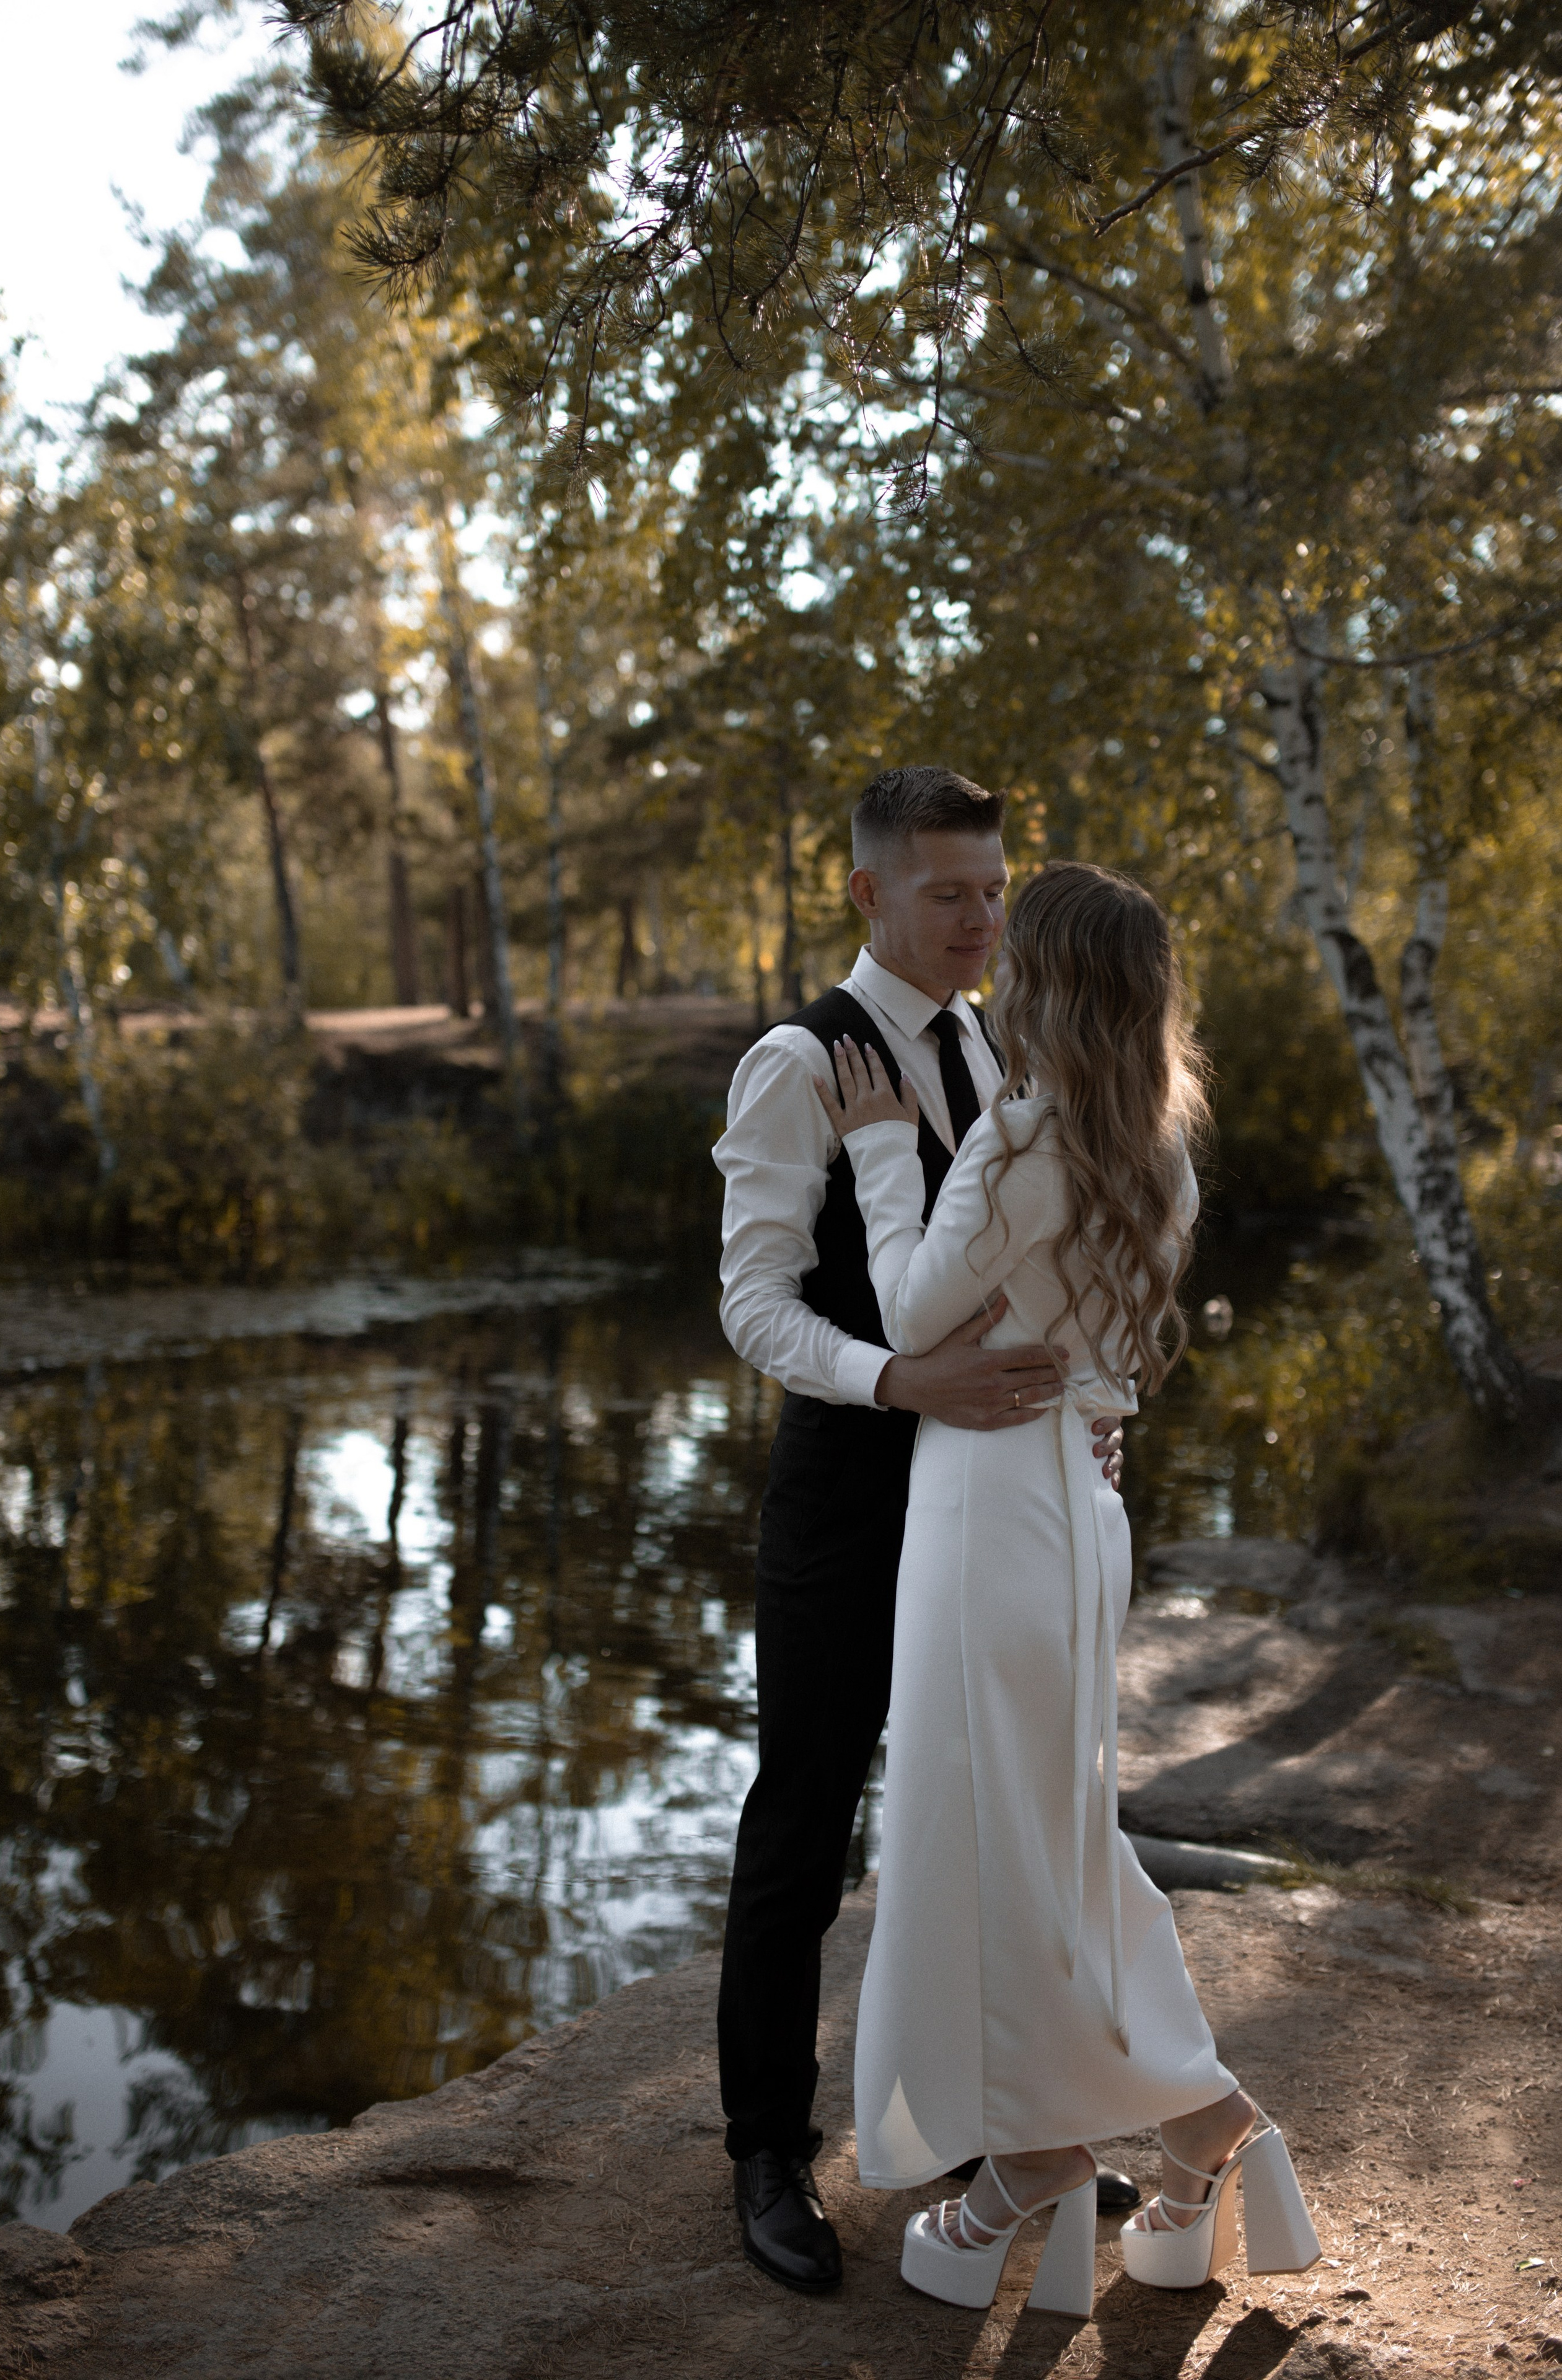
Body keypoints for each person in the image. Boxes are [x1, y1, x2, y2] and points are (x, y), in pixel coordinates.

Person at [814, 859, 1320, 2314]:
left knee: (1014, 1842)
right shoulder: (1157, 1149)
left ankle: (1157, 2137)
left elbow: (911, 1316)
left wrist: (881, 1151)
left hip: (988, 1508)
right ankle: (1095, 2149)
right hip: (1080, 1511)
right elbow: (1089, 1349)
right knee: (1029, 1837)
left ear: (1044, 989)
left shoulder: (1016, 1143)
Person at [711, 766, 1136, 2295]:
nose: (979, 920)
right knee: (803, 1824)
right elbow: (751, 1302)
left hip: (996, 1504)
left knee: (976, 1816)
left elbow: (1055, 1251)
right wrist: (901, 1379)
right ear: (867, 894)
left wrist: (1092, 1398)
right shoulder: (795, 1062)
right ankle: (766, 2152)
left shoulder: (994, 1043)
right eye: (946, 891)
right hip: (844, 1504)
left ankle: (980, 2121)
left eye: (992, 889)